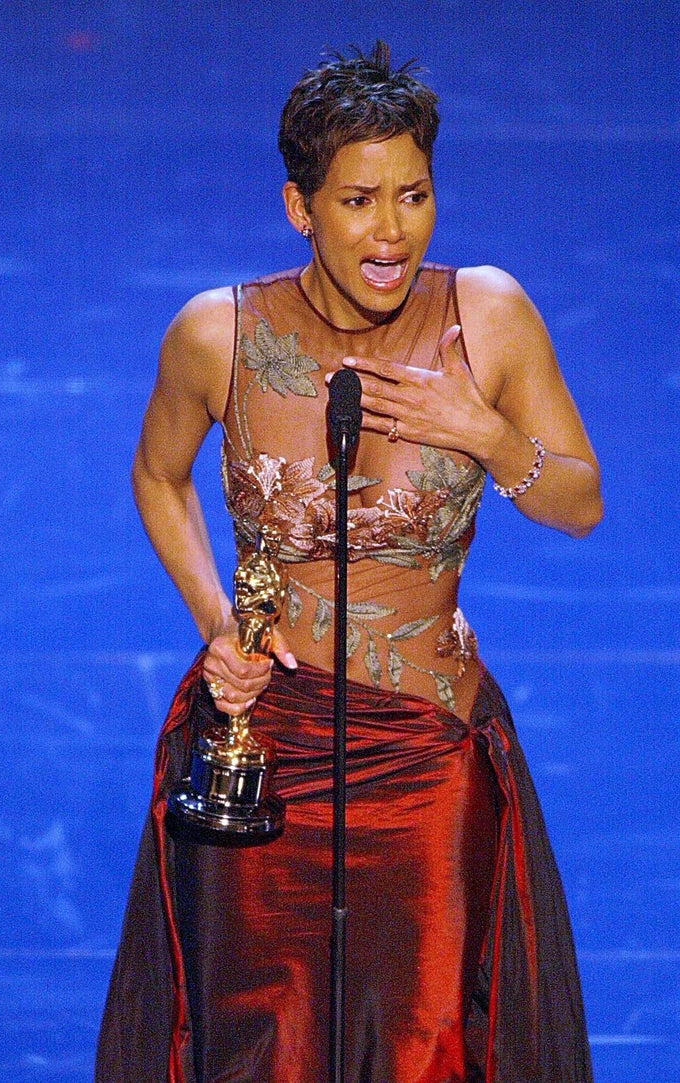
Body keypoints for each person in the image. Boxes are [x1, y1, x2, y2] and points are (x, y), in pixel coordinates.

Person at [96, 41, 602, 1083]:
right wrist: (216, 621)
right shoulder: (216, 334)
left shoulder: (488, 318)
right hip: (263, 750)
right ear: (300, 207)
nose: (391, 232)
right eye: (359, 200)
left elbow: (580, 502)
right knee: (257, 1042)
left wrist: (489, 433)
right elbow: (158, 477)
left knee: (423, 1042)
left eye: (413, 195)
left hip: (424, 761)